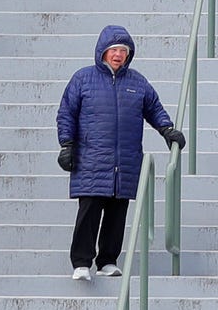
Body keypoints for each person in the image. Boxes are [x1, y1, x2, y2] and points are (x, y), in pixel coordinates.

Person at [56, 24, 183, 281]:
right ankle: (81, 262)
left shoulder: (137, 82)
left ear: (128, 54)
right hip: (91, 159)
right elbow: (66, 113)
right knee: (89, 210)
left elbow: (154, 109)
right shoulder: (83, 79)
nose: (117, 55)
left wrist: (167, 130)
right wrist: (66, 145)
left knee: (117, 212)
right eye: (113, 49)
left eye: (123, 50)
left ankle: (107, 261)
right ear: (102, 52)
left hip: (124, 161)